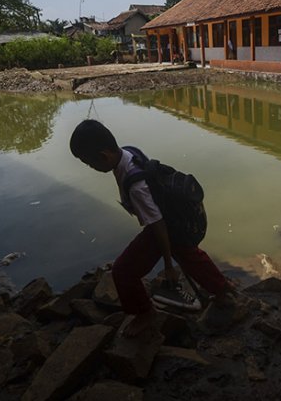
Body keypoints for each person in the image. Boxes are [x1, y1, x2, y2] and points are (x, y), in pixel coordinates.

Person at [69, 119, 234, 336]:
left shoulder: (136, 187)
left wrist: (168, 266)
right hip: (172, 219)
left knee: (123, 271)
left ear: (104, 156)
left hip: (163, 226)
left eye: (90, 163)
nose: (91, 168)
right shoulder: (129, 152)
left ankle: (144, 314)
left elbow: (157, 223)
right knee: (188, 254)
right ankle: (222, 291)